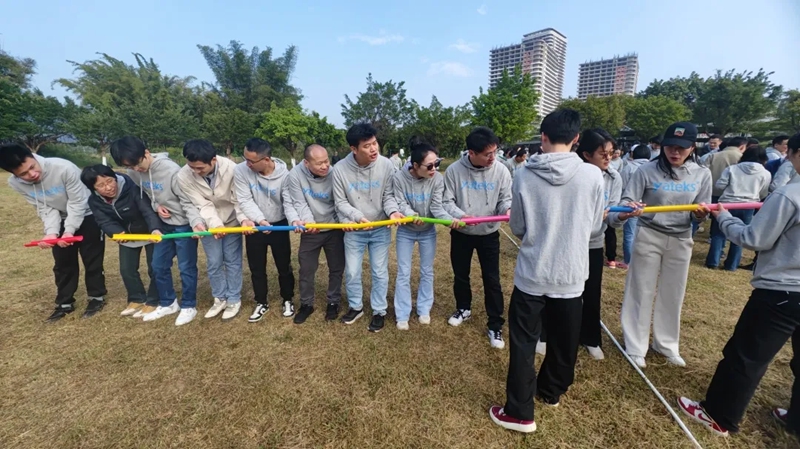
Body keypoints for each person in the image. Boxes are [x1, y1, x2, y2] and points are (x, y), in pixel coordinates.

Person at [488, 109, 605, 433]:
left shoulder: (523, 175)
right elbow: (595, 228)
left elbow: (518, 226)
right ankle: (551, 391)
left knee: (524, 345)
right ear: (576, 139)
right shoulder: (593, 176)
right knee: (564, 341)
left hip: (533, 273)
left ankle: (520, 412)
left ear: (543, 136)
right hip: (571, 274)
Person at [677, 132, 800, 438]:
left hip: (781, 292)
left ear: (794, 154)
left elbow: (753, 238)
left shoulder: (789, 196)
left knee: (746, 355)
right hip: (789, 289)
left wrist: (724, 216)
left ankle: (719, 415)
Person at [611, 122, 712, 369]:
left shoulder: (702, 174)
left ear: (692, 148)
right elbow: (627, 199)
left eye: (681, 148)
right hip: (649, 234)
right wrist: (630, 207)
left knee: (673, 292)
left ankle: (666, 345)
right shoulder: (646, 170)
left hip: (681, 238)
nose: (674, 152)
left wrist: (700, 215)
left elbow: (703, 210)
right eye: (670, 146)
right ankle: (635, 346)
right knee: (641, 289)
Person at [0, 144, 107, 321]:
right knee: (63, 262)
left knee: (92, 258)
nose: (32, 174)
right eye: (23, 174)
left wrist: (69, 231)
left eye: (32, 167)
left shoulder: (64, 168)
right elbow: (44, 207)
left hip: (88, 214)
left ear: (33, 156)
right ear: (14, 174)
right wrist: (52, 233)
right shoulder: (15, 184)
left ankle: (96, 297)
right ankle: (65, 303)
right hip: (62, 217)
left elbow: (77, 202)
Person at [110, 136, 202, 326]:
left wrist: (195, 223)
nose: (136, 169)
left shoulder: (171, 170)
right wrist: (156, 206)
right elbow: (146, 195)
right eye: (129, 166)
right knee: (158, 266)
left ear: (146, 153)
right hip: (163, 225)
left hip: (184, 224)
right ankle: (168, 303)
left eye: (137, 163)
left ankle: (189, 305)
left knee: (186, 267)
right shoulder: (134, 172)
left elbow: (188, 200)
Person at [443, 126, 512, 348]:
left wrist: (507, 209)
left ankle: (495, 324)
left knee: (492, 279)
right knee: (461, 274)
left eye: (495, 152)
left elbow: (505, 198)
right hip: (462, 232)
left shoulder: (501, 171)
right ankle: (463, 308)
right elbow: (447, 202)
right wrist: (461, 215)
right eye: (487, 154)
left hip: (489, 233)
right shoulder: (454, 171)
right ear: (471, 153)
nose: (493, 157)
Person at [331, 123, 403, 332]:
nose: (373, 149)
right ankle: (356, 307)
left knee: (379, 271)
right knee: (352, 271)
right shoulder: (340, 169)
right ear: (354, 148)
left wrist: (393, 212)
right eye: (367, 146)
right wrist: (356, 217)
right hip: (355, 229)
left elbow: (388, 195)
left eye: (375, 143)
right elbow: (340, 202)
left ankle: (379, 311)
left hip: (380, 227)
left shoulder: (386, 165)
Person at [391, 138, 460, 330]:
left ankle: (424, 309)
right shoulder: (399, 178)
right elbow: (400, 203)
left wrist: (450, 220)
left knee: (427, 271)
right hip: (406, 232)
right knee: (403, 272)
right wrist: (411, 215)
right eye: (429, 166)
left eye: (437, 164)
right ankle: (402, 314)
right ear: (415, 165)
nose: (434, 169)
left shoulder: (437, 179)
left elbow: (437, 207)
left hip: (427, 232)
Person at [178, 139, 247, 321]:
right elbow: (202, 204)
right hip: (208, 222)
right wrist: (215, 225)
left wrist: (243, 220)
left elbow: (238, 199)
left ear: (213, 160)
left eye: (200, 168)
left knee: (232, 260)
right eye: (191, 167)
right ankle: (220, 297)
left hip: (232, 221)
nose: (195, 171)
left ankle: (233, 298)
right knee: (214, 261)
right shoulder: (183, 175)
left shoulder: (232, 169)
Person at [82, 165, 163, 318]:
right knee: (127, 269)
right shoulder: (94, 201)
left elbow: (147, 211)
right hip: (127, 236)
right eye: (101, 185)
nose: (108, 187)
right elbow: (104, 221)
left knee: (155, 268)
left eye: (110, 181)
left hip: (150, 233)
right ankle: (136, 298)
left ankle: (154, 299)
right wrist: (115, 232)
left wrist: (155, 229)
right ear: (93, 188)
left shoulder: (132, 188)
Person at [578, 128, 629, 360]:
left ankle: (590, 337)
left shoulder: (614, 177)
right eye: (603, 154)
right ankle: (547, 334)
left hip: (594, 242)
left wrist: (622, 215)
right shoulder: (574, 175)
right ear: (587, 154)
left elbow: (611, 216)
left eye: (611, 152)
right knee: (559, 291)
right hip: (569, 242)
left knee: (592, 291)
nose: (609, 158)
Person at [233, 138, 296, 323]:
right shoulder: (241, 170)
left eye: (251, 161)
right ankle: (261, 302)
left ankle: (288, 299)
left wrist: (293, 220)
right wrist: (260, 220)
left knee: (284, 265)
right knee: (256, 267)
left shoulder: (286, 175)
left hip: (280, 224)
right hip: (255, 225)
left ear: (266, 160)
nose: (247, 164)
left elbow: (288, 201)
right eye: (245, 158)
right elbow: (244, 199)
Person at [283, 144, 344, 323]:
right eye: (319, 163)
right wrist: (309, 223)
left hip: (334, 228)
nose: (325, 166)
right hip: (311, 230)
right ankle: (306, 304)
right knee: (306, 269)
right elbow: (299, 202)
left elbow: (340, 201)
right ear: (306, 163)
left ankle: (333, 302)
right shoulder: (295, 175)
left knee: (337, 267)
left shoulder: (335, 173)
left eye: (326, 161)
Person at [706, 146, 770, 270]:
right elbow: (764, 192)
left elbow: (720, 186)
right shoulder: (765, 173)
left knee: (718, 234)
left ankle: (712, 262)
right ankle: (732, 265)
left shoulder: (732, 168)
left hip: (727, 204)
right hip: (749, 205)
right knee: (740, 235)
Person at [704, 137, 748, 256]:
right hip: (733, 196)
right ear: (742, 146)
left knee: (716, 225)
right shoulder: (742, 158)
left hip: (713, 191)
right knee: (727, 223)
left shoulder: (713, 156)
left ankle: (715, 252)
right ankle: (725, 254)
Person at [619, 144, 651, 265]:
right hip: (649, 207)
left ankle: (628, 261)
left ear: (633, 154)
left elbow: (622, 186)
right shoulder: (653, 168)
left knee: (630, 234)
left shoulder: (629, 167)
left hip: (632, 205)